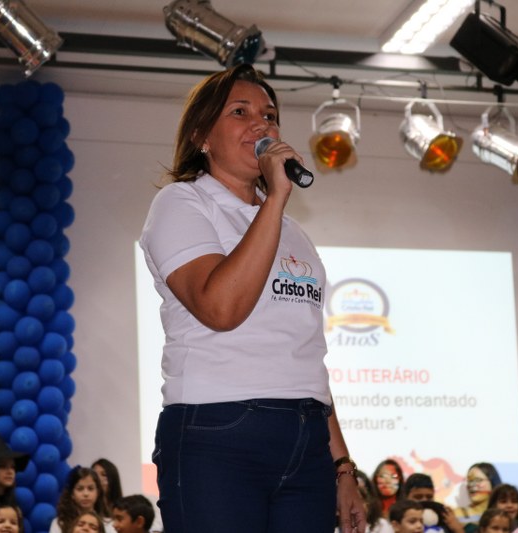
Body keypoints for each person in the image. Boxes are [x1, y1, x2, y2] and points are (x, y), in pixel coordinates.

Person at [139, 62, 365, 533]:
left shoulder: (293, 232)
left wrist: (342, 465)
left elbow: (305, 355)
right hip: (218, 432)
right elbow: (220, 309)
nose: (261, 124)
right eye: (240, 112)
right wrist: (276, 199)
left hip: (306, 436)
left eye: (270, 115)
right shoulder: (182, 203)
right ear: (201, 135)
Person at [50, 468, 115, 533]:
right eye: (80, 489)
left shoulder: (109, 524)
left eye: (90, 488)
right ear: (72, 494)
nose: (85, 494)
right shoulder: (60, 523)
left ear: (98, 492)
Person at [455, 463, 502, 527]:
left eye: (478, 480)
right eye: (469, 481)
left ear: (492, 482)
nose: (471, 485)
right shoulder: (457, 514)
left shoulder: (504, 513)